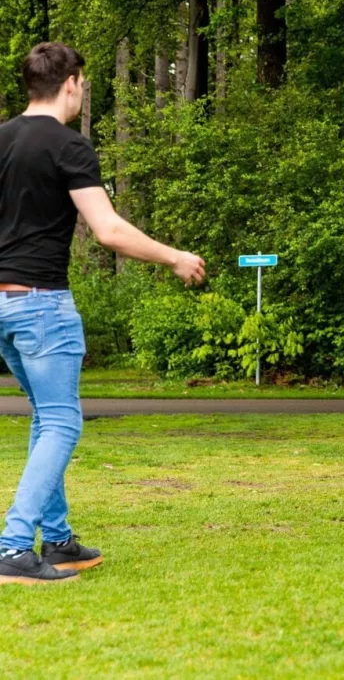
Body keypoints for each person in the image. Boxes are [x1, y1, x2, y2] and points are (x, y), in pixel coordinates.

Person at [0, 43, 205, 585]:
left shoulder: (0, 139)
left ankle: (60, 542)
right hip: (42, 304)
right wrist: (175, 257)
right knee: (63, 422)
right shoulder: (69, 145)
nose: (83, 91)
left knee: (47, 417)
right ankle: (15, 547)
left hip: (3, 304)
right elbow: (109, 230)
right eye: (83, 83)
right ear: (70, 83)